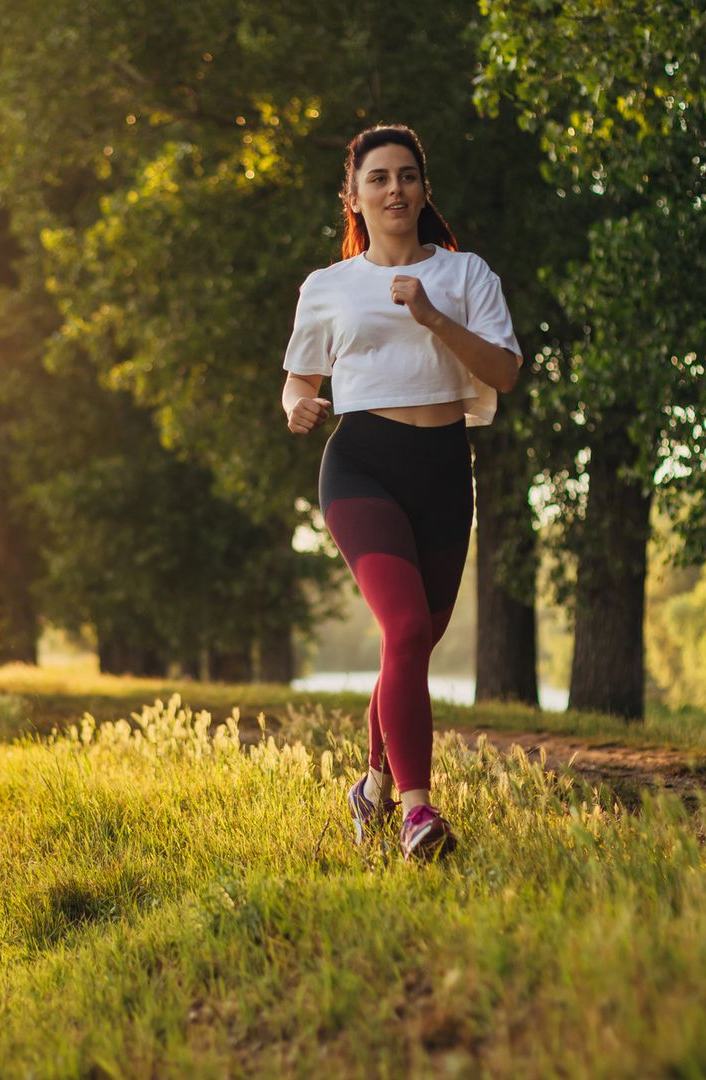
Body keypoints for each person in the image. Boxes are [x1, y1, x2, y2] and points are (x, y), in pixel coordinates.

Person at [280, 124, 522, 861]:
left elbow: (505, 374)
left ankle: (373, 786)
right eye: (378, 177)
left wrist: (432, 316)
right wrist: (295, 404)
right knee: (407, 630)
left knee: (408, 646)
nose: (395, 189)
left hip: (445, 471)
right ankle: (420, 813)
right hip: (362, 466)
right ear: (353, 194)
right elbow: (300, 376)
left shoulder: (466, 274)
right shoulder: (329, 286)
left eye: (407, 175)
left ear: (423, 189)